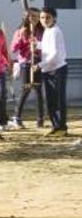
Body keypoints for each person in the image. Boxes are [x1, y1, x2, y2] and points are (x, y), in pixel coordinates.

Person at [35, 7, 69, 137]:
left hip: (57, 69)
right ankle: (56, 126)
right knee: (50, 100)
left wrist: (40, 65)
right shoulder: (47, 31)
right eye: (42, 17)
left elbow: (54, 54)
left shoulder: (55, 31)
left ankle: (62, 126)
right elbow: (46, 46)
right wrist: (37, 45)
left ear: (54, 18)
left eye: (47, 17)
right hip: (48, 69)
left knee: (58, 99)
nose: (44, 20)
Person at [10, 8, 44, 129]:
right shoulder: (20, 31)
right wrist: (20, 37)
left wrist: (37, 46)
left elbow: (46, 46)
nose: (33, 19)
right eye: (31, 16)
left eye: (36, 16)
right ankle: (17, 117)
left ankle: (40, 119)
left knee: (38, 90)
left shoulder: (41, 31)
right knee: (26, 89)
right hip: (25, 63)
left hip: (38, 63)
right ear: (26, 17)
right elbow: (13, 49)